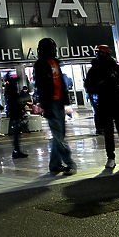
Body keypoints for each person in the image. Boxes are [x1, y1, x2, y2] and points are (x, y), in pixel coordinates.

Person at [84, 45, 119, 169]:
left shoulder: (115, 68)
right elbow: (89, 86)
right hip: (104, 103)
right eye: (97, 53)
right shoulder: (94, 70)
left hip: (117, 103)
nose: (99, 55)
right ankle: (111, 158)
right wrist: (100, 87)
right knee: (109, 132)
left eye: (101, 53)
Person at [33, 37, 76, 176]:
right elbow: (40, 85)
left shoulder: (55, 62)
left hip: (58, 102)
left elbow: (61, 83)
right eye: (50, 47)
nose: (53, 49)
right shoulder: (40, 64)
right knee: (58, 135)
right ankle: (70, 163)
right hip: (50, 103)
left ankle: (55, 164)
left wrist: (65, 98)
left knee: (59, 135)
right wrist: (44, 105)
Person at [4, 73, 28, 158]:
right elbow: (15, 102)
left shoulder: (9, 88)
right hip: (15, 112)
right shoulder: (12, 89)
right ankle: (16, 151)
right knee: (16, 132)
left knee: (16, 132)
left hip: (14, 112)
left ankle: (16, 150)